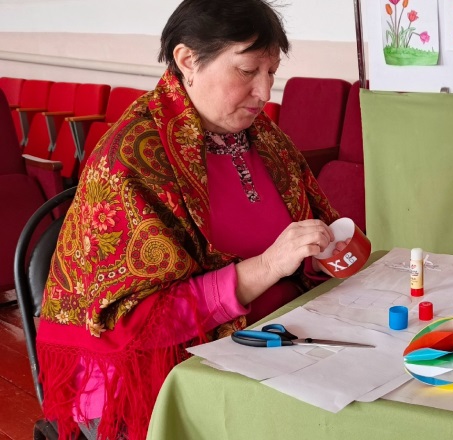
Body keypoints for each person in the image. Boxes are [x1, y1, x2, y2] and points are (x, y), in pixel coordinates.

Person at [35, 1, 340, 438]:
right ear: (187, 60)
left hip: (267, 340)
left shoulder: (262, 137)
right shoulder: (131, 159)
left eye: (272, 72)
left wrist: (322, 251)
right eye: (248, 71)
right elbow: (135, 324)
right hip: (159, 370)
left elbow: (307, 231)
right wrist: (268, 266)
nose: (264, 92)